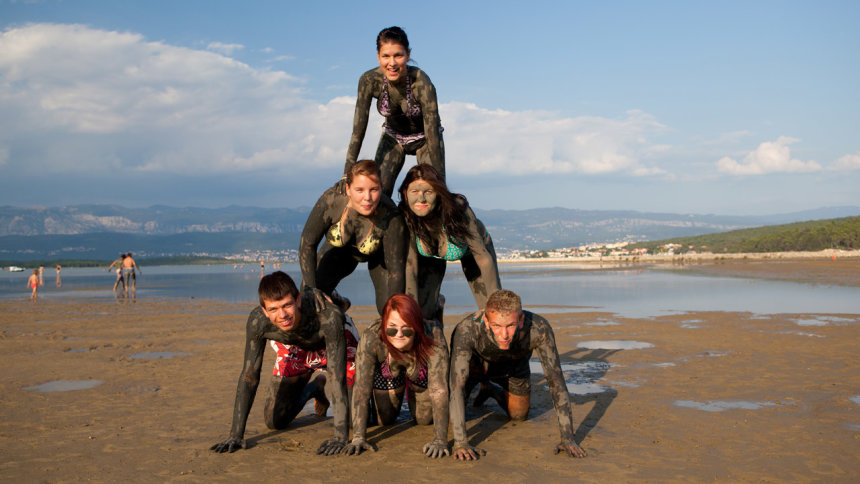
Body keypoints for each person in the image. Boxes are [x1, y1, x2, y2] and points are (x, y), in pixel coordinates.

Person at [211, 271, 356, 456]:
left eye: (287, 305)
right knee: (275, 421)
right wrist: (235, 435)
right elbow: (249, 377)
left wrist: (340, 437)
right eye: (273, 309)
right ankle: (314, 388)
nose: (282, 315)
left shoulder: (328, 317)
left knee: (357, 421)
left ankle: (338, 299)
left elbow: (337, 376)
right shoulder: (258, 322)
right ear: (264, 310)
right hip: (295, 349)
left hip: (334, 344)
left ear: (298, 300)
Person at [448, 289, 588, 461]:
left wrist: (568, 439)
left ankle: (490, 389)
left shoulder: (538, 328)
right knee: (451, 420)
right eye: (497, 326)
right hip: (475, 370)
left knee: (518, 416)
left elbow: (556, 381)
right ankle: (482, 384)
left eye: (510, 325)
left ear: (521, 320)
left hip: (513, 368)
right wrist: (461, 443)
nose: (504, 335)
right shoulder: (467, 329)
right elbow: (456, 384)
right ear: (486, 321)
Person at [343, 294, 449, 458]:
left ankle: (437, 310)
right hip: (389, 367)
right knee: (384, 420)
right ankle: (399, 379)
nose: (399, 334)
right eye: (392, 327)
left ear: (416, 326)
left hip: (418, 363)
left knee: (424, 419)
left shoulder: (433, 335)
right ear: (384, 324)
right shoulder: (372, 337)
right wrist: (358, 438)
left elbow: (439, 389)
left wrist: (440, 440)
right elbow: (362, 388)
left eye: (406, 328)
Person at [344, 26, 445, 197]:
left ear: (408, 55)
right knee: (379, 194)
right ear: (378, 56)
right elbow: (358, 130)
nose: (392, 63)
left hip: (425, 140)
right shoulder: (369, 81)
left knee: (432, 194)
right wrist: (347, 173)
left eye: (398, 55)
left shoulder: (421, 83)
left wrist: (439, 183)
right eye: (386, 56)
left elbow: (432, 134)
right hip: (393, 137)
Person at [300, 160, 407, 315]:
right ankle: (336, 299)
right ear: (348, 189)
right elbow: (307, 244)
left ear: (381, 188)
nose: (367, 197)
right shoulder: (332, 201)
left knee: (388, 310)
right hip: (338, 254)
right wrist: (310, 288)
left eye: (374, 190)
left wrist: (396, 313)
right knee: (309, 301)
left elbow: (396, 271)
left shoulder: (391, 216)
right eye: (359, 190)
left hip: (377, 257)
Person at [397, 164, 501, 322]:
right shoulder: (407, 215)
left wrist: (494, 304)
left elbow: (483, 258)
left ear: (438, 193)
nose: (421, 199)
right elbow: (411, 265)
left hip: (473, 253)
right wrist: (411, 311)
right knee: (422, 316)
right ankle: (437, 304)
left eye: (428, 191)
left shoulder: (457, 209)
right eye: (415, 191)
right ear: (405, 193)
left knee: (491, 315)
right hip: (431, 258)